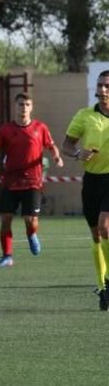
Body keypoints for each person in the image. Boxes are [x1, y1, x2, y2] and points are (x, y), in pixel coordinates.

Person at [0, 93, 63, 267]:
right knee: (6, 218)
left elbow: (52, 146)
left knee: (30, 221)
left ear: (32, 107)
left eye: (27, 104)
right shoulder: (5, 129)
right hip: (10, 181)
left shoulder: (40, 128)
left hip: (33, 182)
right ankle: (7, 256)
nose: (24, 107)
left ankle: (31, 234)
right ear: (15, 106)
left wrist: (56, 157)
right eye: (21, 104)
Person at [63, 70, 109, 309]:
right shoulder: (85, 116)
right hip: (91, 181)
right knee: (96, 236)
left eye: (107, 86)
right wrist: (78, 153)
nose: (102, 90)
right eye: (100, 85)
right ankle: (102, 286)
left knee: (105, 227)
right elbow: (66, 145)